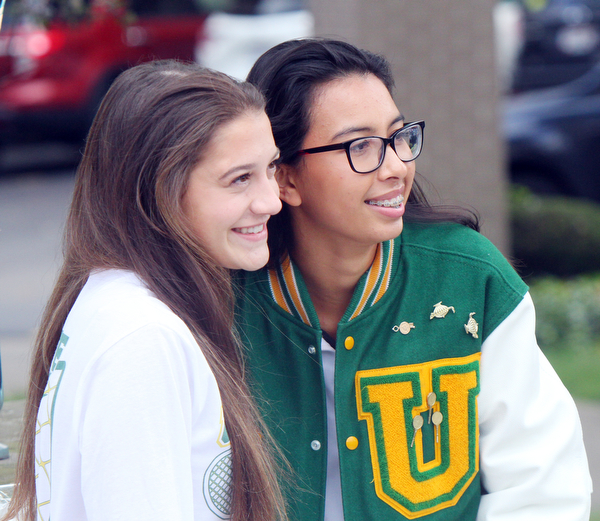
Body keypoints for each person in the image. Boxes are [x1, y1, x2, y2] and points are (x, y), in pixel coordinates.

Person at [234, 38, 593, 520]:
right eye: (360, 146)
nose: (397, 166)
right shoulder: (221, 300)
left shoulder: (468, 279)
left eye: (400, 137)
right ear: (284, 178)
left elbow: (542, 488)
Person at [4, 60, 287, 521]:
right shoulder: (142, 337)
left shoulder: (113, 303)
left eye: (270, 168)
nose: (271, 200)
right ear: (159, 190)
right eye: (240, 178)